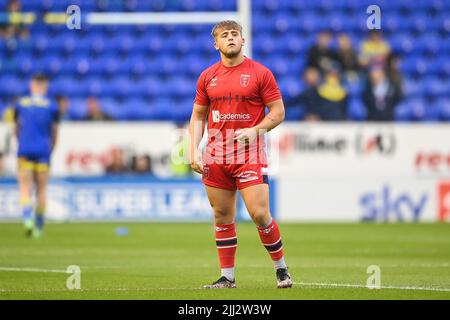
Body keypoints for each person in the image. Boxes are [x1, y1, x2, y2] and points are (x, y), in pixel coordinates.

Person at [189, 20, 292, 289]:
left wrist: (255, 131)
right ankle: (227, 277)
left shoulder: (261, 73)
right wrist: (193, 151)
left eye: (235, 34)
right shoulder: (206, 77)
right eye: (225, 35)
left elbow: (278, 113)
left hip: (250, 154)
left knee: (259, 214)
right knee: (222, 216)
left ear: (243, 40)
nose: (231, 38)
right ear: (216, 44)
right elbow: (198, 115)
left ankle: (281, 269)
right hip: (216, 156)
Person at [13, 74, 59, 237]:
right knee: (42, 190)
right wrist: (51, 149)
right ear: (45, 86)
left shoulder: (21, 103)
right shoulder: (51, 106)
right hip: (43, 151)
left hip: (24, 150)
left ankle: (27, 220)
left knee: (25, 188)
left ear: (32, 85)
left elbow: (17, 127)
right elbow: (54, 131)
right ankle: (39, 227)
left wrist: (21, 143)